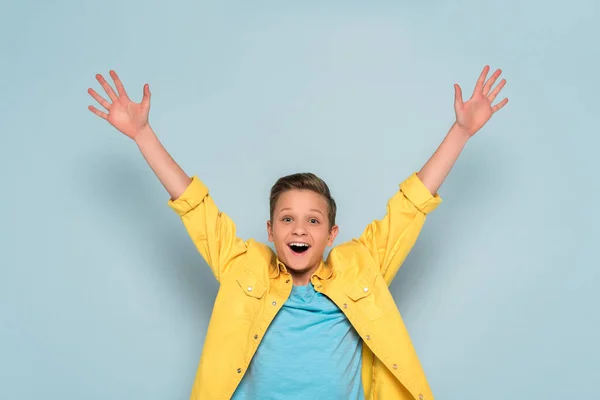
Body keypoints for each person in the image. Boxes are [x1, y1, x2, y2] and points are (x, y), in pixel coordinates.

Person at [87, 65, 508, 400]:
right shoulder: (241, 266)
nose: (299, 228)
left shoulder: (361, 265)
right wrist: (142, 134)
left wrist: (461, 131)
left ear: (331, 233)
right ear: (270, 231)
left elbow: (410, 206)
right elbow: (195, 207)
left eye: (313, 220)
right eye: (287, 219)